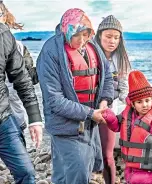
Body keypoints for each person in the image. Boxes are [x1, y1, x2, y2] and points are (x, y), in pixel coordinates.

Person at [36, 8, 114, 184]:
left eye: (86, 34)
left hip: (90, 124)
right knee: (74, 173)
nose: (82, 40)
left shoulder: (93, 47)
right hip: (65, 127)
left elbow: (107, 77)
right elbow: (54, 100)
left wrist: (104, 101)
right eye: (77, 35)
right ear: (67, 30)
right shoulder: (51, 52)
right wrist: (89, 113)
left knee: (82, 171)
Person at [0, 1, 43, 184]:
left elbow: (22, 79)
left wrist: (35, 118)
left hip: (1, 118)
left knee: (27, 173)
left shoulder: (4, 35)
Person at [102, 70, 152, 184]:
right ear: (133, 104)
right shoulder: (127, 115)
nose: (144, 105)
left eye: (147, 100)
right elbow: (116, 126)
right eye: (139, 102)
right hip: (131, 170)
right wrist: (108, 115)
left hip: (151, 171)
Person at [95, 15, 131, 184]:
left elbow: (124, 88)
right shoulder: (91, 55)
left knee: (107, 153)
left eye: (116, 37)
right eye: (108, 36)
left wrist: (132, 103)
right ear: (100, 35)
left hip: (110, 109)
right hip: (90, 108)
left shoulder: (121, 59)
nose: (112, 41)